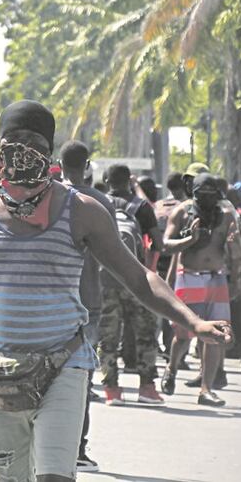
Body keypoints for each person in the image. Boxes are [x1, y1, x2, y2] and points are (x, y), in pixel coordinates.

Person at [0, 101, 232, 482]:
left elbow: (138, 277)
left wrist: (193, 322)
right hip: (0, 371)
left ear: (49, 150)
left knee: (53, 477)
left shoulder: (81, 211)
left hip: (64, 363)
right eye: (12, 140)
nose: (21, 149)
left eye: (32, 141)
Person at [161, 173, 241, 406]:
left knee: (216, 335)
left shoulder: (226, 216)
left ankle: (206, 389)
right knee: (183, 335)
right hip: (189, 278)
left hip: (217, 279)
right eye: (202, 195)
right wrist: (190, 239)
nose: (207, 200)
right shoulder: (182, 212)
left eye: (212, 195)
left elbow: (236, 250)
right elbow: (166, 244)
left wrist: (236, 277)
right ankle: (172, 367)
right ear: (194, 193)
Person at [58, 140, 115, 473]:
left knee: (45, 376)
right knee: (81, 378)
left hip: (53, 300)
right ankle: (77, 449)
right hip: (89, 300)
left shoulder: (48, 198)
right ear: (88, 165)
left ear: (59, 164)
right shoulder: (99, 200)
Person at [97, 164, 165, 405]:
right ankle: (147, 388)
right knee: (145, 333)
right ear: (129, 181)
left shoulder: (97, 203)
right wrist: (149, 269)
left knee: (108, 336)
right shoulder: (142, 207)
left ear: (106, 180)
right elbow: (158, 242)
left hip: (103, 279)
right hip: (135, 279)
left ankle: (111, 390)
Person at [152, 173, 187, 355]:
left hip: (158, 262)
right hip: (179, 262)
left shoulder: (159, 206)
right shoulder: (185, 208)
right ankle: (174, 349)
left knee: (164, 304)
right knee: (179, 305)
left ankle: (167, 347)